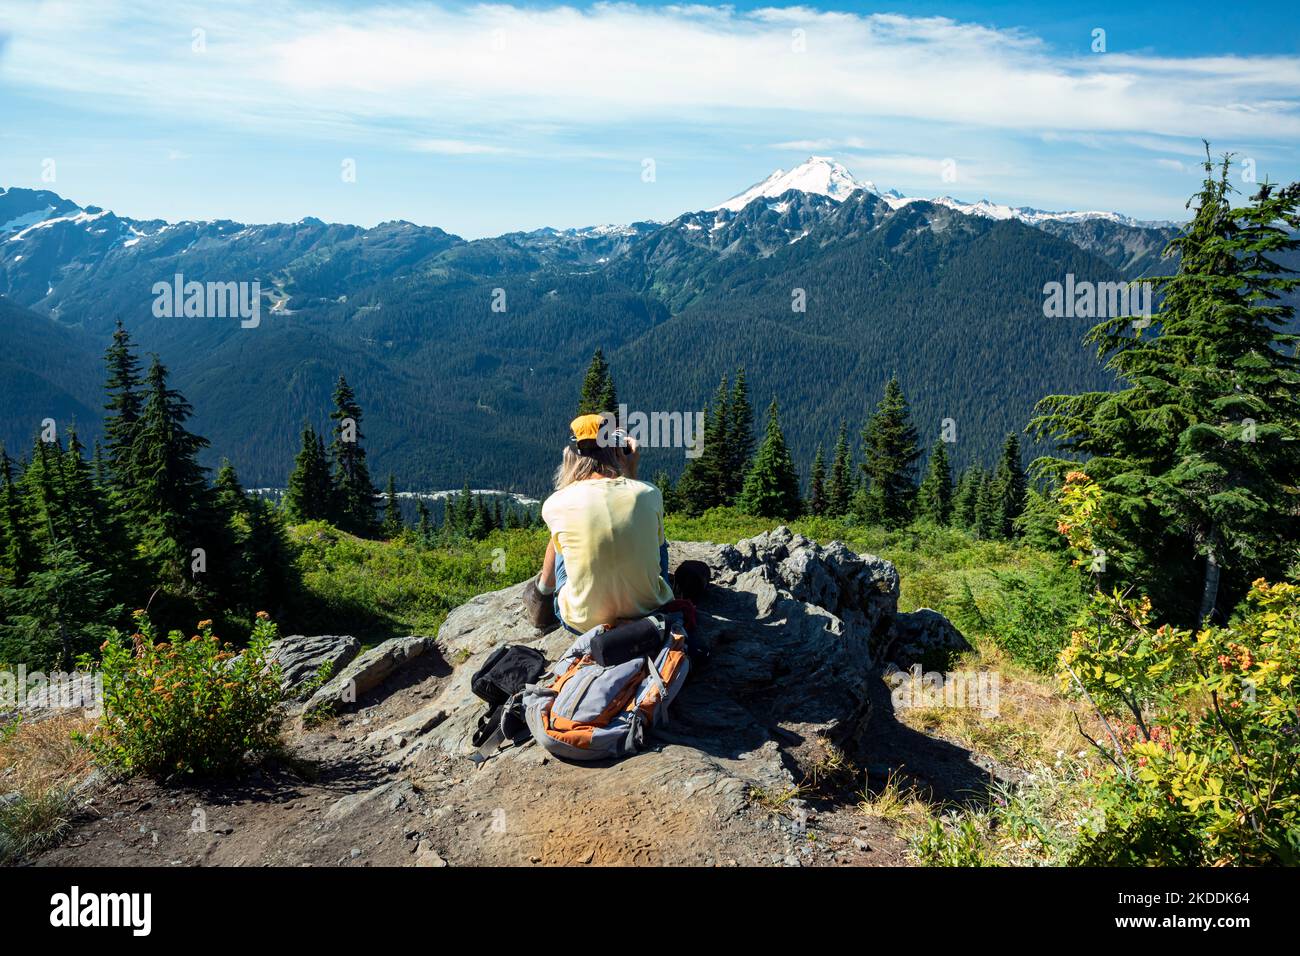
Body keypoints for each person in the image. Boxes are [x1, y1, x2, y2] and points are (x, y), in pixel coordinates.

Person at [536, 413, 673, 634]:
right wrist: (631, 470)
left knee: (563, 531)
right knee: (657, 537)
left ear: (570, 455)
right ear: (618, 451)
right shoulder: (649, 493)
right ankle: (647, 586)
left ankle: (541, 595)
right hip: (650, 612)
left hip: (583, 623)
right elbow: (633, 511)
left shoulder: (555, 504)